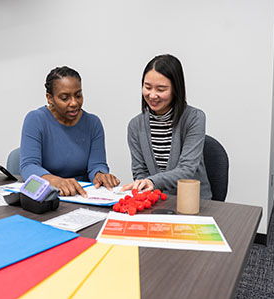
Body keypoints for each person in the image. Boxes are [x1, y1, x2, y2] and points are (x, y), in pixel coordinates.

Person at [122, 54, 212, 199]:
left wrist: (152, 181)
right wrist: (144, 185)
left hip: (193, 202)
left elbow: (187, 170)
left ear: (176, 89)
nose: (152, 95)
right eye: (147, 87)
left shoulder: (195, 118)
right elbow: (140, 172)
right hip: (156, 202)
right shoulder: (135, 125)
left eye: (161, 89)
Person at [20, 66, 120, 197]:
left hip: (82, 196)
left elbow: (97, 164)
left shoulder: (93, 123)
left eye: (78, 95)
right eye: (64, 98)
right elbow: (28, 166)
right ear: (50, 98)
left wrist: (100, 175)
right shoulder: (36, 119)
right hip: (49, 194)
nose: (74, 103)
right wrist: (56, 181)